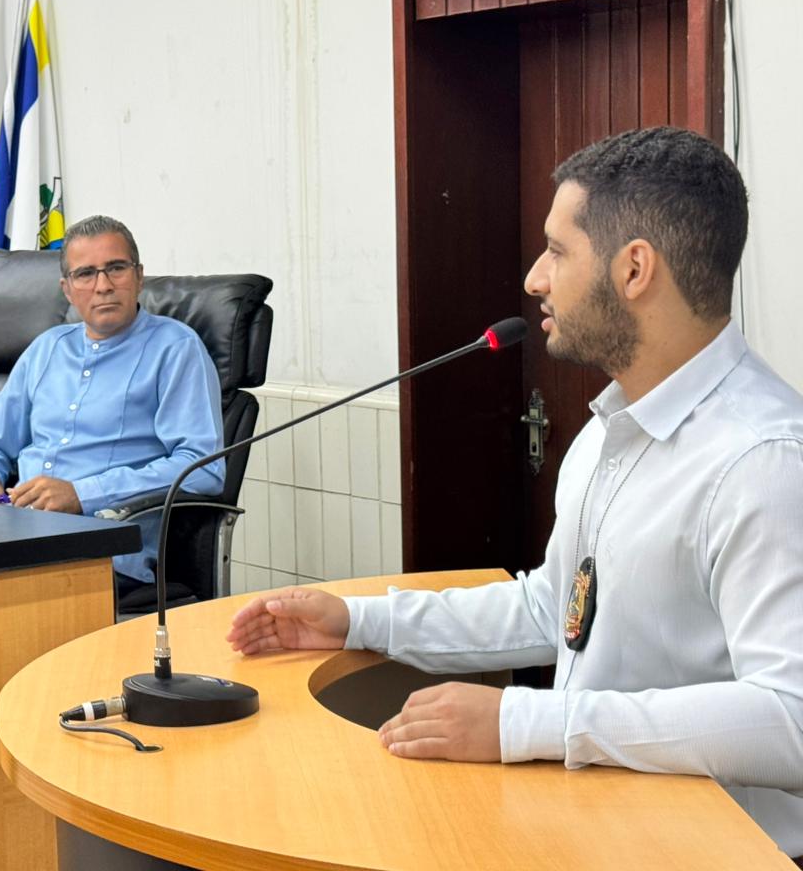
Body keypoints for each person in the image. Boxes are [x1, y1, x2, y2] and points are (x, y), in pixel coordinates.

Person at [226, 127, 803, 861]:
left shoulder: (764, 461)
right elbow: (554, 608)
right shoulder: (609, 429)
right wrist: (358, 621)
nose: (535, 278)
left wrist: (526, 723)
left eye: (559, 251)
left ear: (634, 270)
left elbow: (793, 718)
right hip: (601, 831)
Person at [0, 215, 225, 592]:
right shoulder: (47, 348)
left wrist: (84, 494)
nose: (103, 286)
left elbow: (202, 470)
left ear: (139, 275)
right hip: (11, 533)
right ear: (67, 289)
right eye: (86, 274)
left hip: (99, 551)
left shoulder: (176, 349)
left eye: (116, 268)